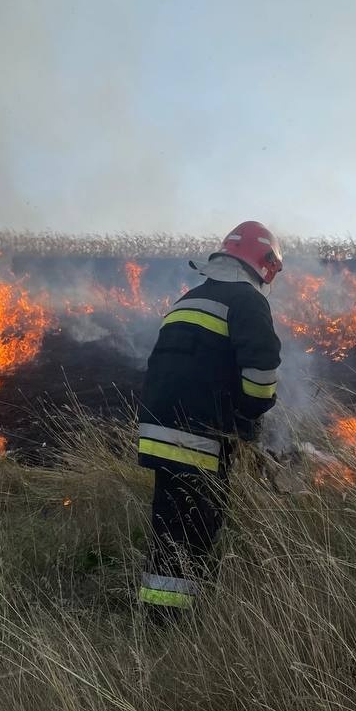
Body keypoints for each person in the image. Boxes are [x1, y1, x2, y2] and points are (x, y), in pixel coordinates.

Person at [136, 220, 283, 615]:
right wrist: (250, 415)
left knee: (169, 530)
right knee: (196, 530)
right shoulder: (248, 301)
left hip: (157, 430)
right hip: (197, 435)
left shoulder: (188, 299)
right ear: (264, 264)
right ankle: (174, 620)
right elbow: (261, 373)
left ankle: (156, 612)